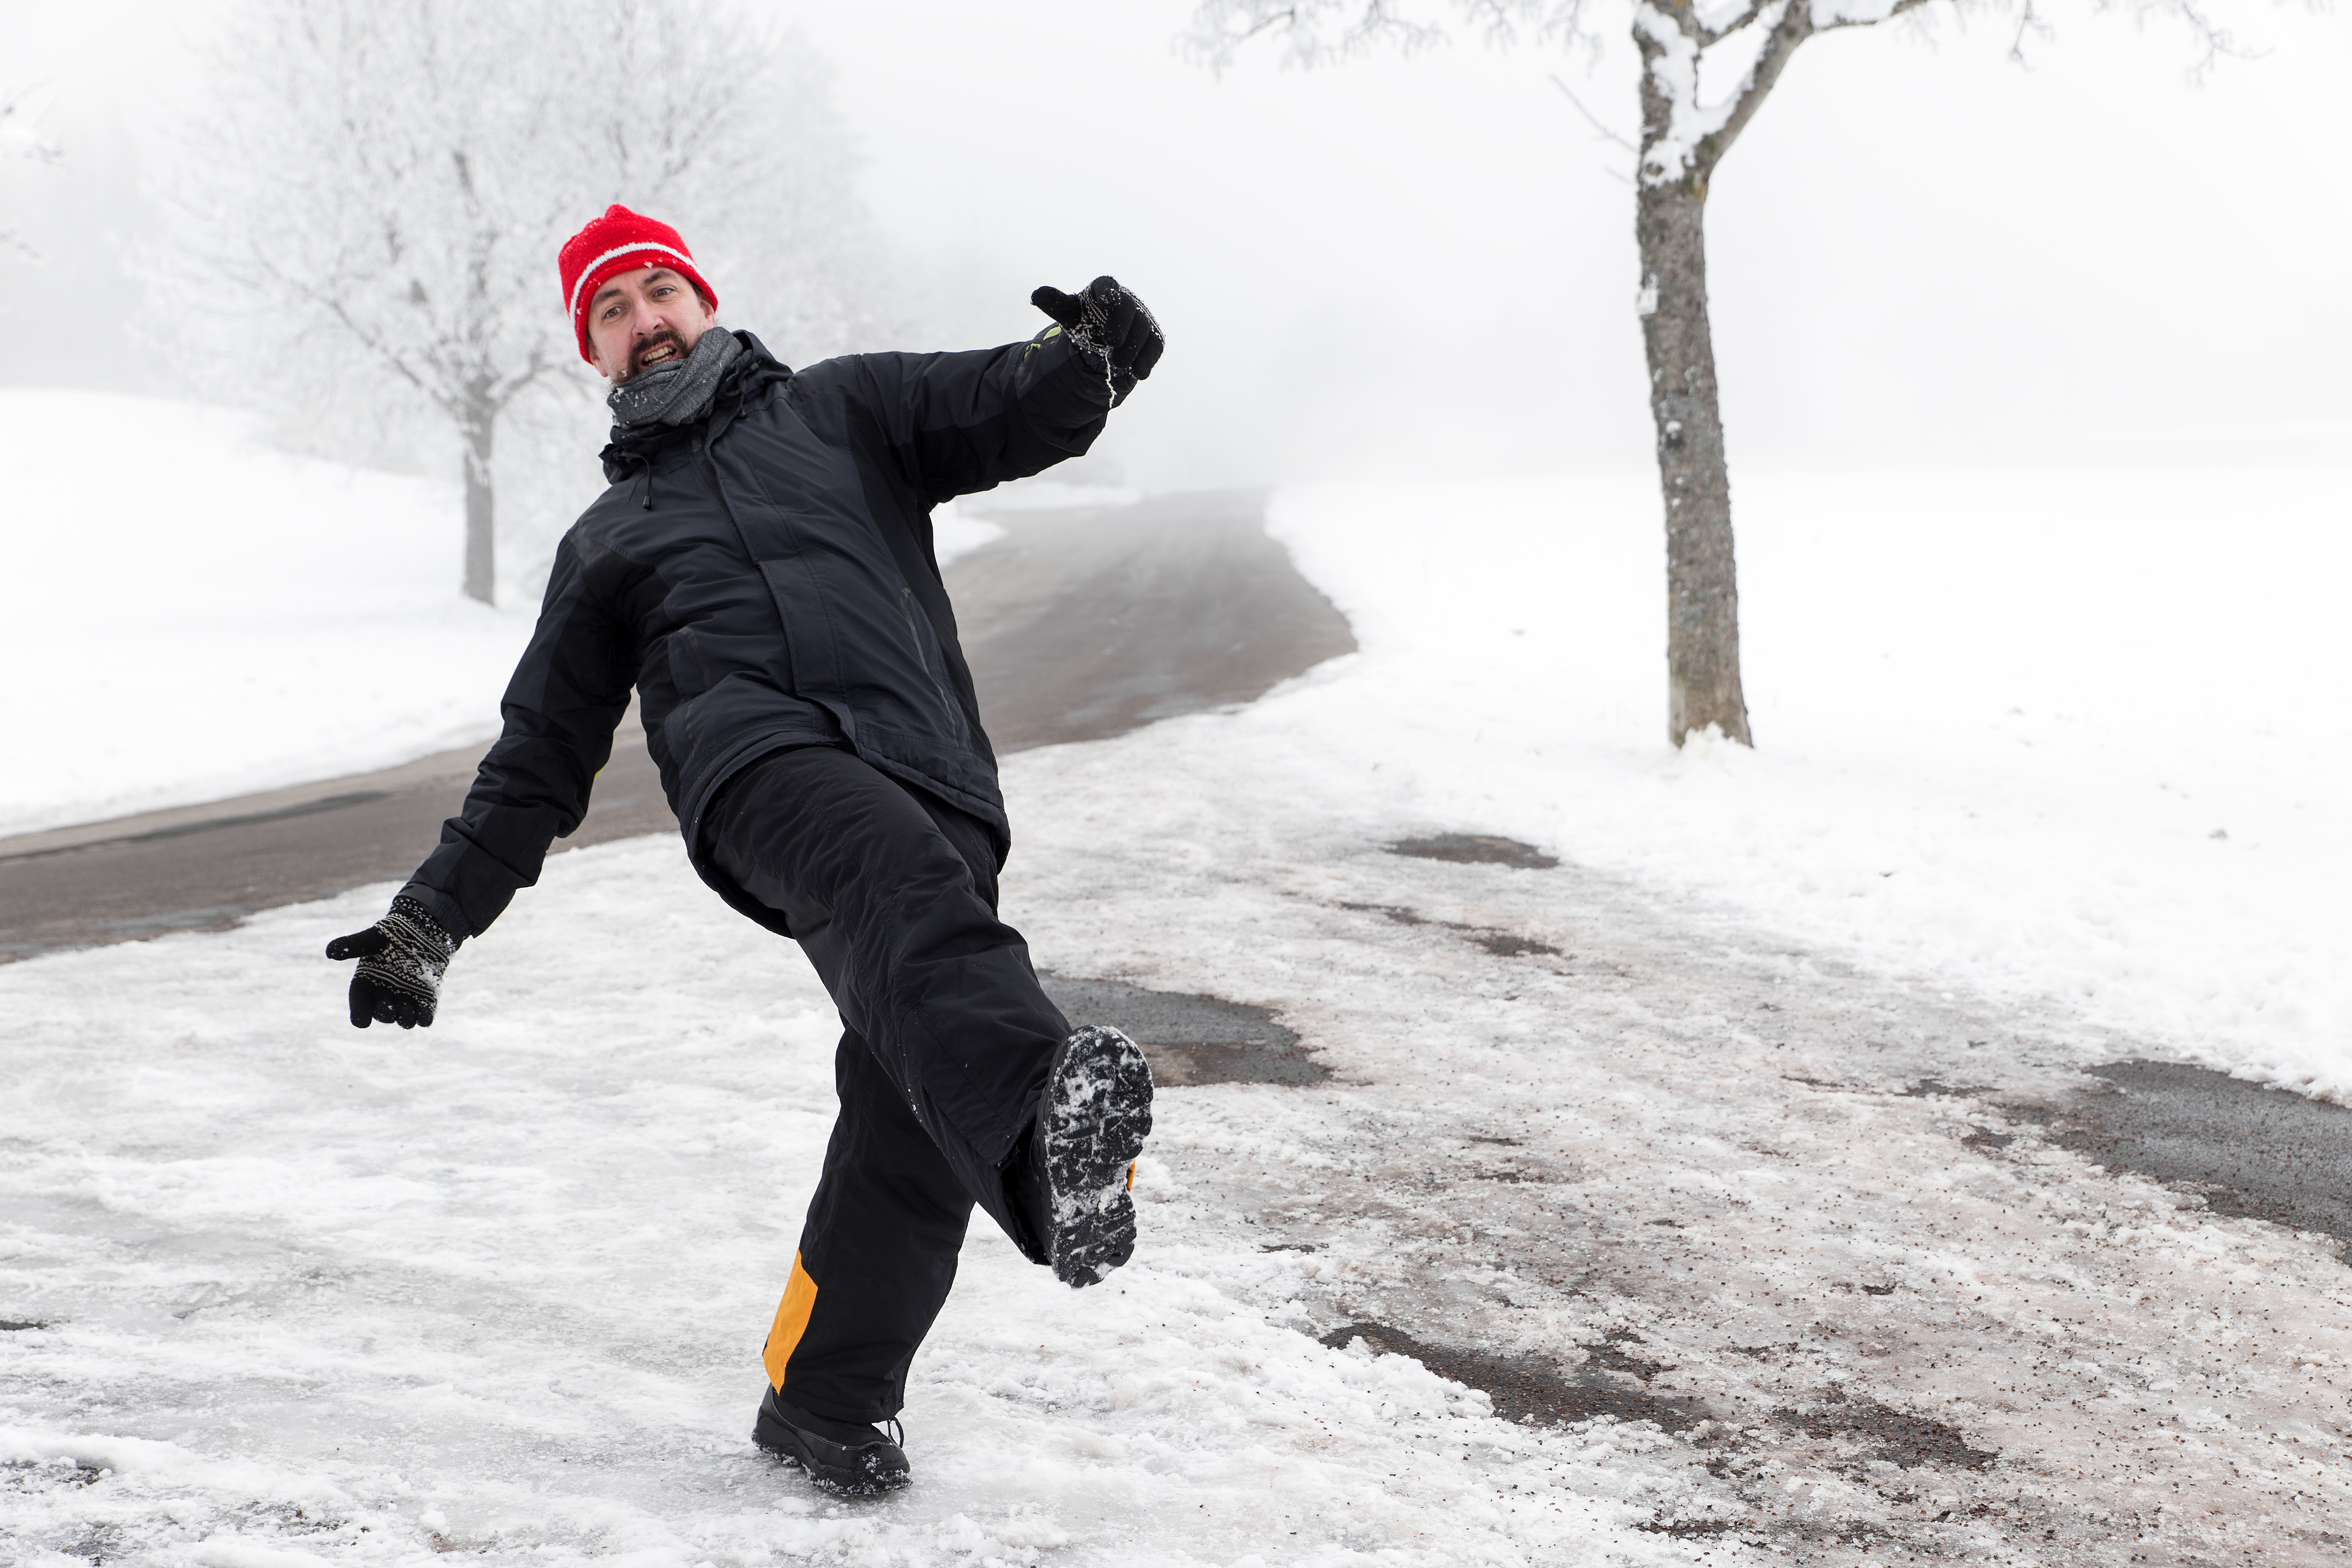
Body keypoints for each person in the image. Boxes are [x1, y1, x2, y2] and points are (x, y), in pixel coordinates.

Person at [325, 205, 1166, 1495]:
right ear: (592, 354)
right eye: (612, 310)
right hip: (756, 775)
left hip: (934, 772)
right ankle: (1046, 1116)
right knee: (906, 907)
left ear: (703, 303)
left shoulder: (846, 410)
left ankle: (825, 1397)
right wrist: (432, 919)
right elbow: (537, 757)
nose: (644, 319)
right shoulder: (608, 545)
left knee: (907, 1095)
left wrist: (1087, 359)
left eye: (659, 291)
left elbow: (997, 402)